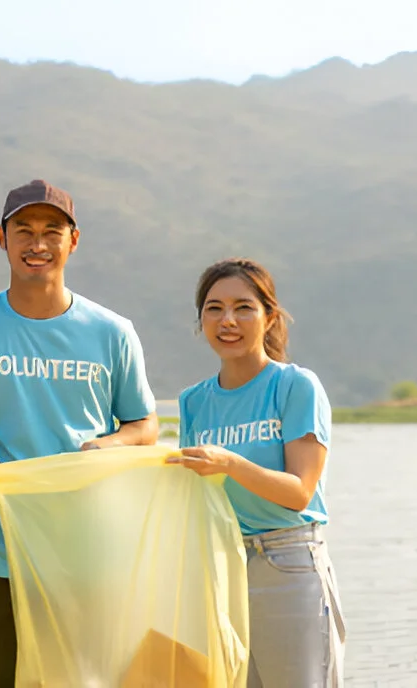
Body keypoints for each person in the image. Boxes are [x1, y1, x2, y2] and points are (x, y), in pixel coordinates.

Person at [0, 179, 160, 686]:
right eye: (24, 230)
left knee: (87, 678)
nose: (38, 244)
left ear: (73, 240)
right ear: (2, 238)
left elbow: (145, 424)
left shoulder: (112, 331)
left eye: (52, 231)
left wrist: (108, 445)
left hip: (90, 550)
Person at [169, 258, 345, 687]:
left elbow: (300, 491)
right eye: (214, 308)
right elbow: (197, 498)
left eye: (243, 307)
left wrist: (230, 463)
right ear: (201, 321)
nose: (228, 320)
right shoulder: (193, 401)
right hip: (223, 569)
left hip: (289, 566)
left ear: (269, 317)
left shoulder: (295, 386)